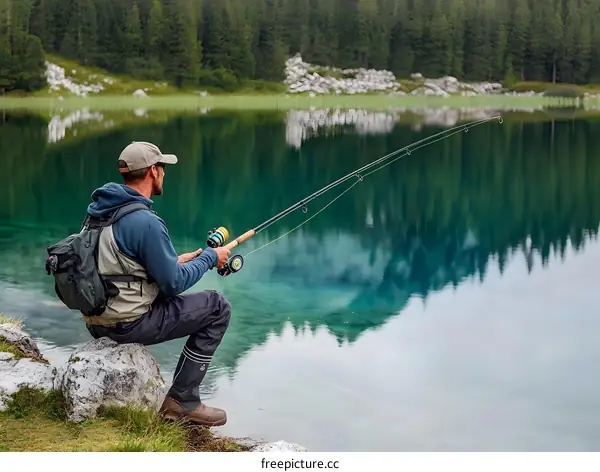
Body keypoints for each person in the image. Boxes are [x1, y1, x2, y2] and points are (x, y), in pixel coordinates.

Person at [83, 141, 232, 427]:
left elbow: (119, 266)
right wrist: (210, 258)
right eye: (162, 168)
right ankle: (183, 401)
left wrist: (176, 261)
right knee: (217, 307)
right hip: (126, 324)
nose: (164, 173)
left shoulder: (100, 212)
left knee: (194, 290)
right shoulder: (145, 221)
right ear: (153, 171)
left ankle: (181, 400)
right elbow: (173, 285)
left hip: (96, 320)